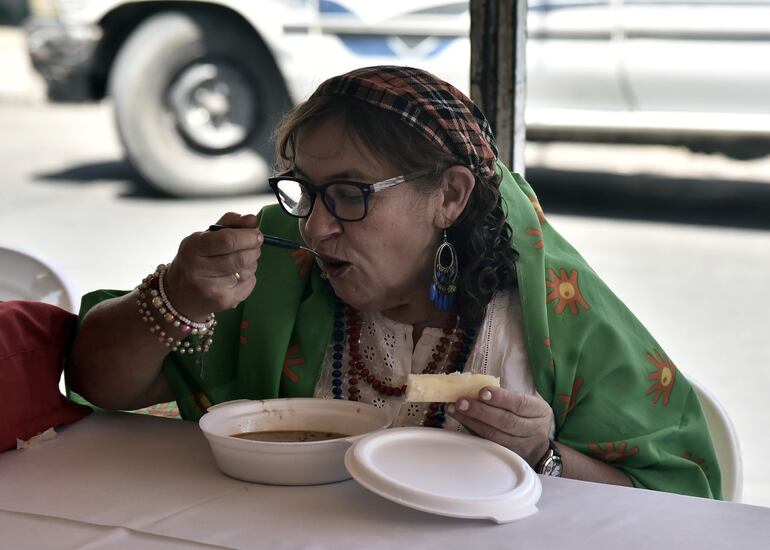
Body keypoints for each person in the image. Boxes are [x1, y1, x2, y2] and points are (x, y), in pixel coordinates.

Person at [69, 65, 721, 498]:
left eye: (350, 195)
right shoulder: (279, 274)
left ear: (450, 196)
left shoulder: (547, 318)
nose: (318, 227)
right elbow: (97, 379)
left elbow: (680, 499)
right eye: (307, 192)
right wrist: (175, 297)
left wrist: (543, 457)